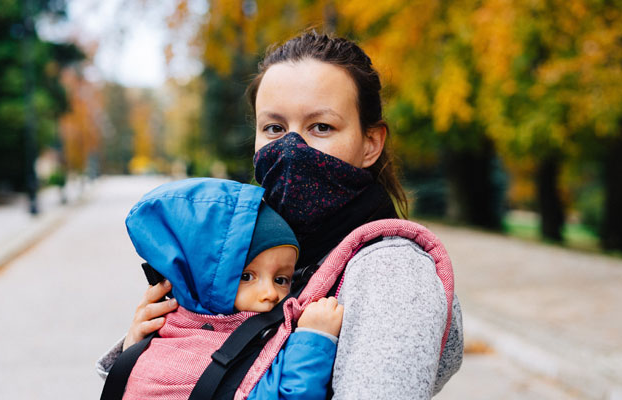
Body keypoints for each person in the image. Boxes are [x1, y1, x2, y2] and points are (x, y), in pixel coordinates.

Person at [98, 31, 463, 399]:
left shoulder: (391, 271)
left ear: (370, 144)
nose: (291, 148)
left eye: (321, 127)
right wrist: (145, 350)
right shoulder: (253, 243)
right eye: (274, 128)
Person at [113, 178, 343, 399]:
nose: (271, 294)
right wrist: (314, 339)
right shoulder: (177, 354)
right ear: (201, 279)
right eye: (246, 276)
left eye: (281, 279)